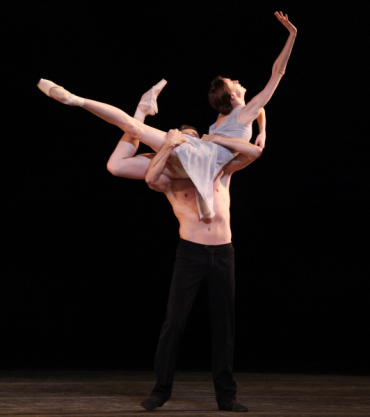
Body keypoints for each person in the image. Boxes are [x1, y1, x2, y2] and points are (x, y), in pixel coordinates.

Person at [37, 10, 296, 218]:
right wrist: (292, 34)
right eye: (233, 82)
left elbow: (263, 104)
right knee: (130, 137)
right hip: (195, 156)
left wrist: (263, 132)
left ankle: (142, 108)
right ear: (231, 96)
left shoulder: (240, 114)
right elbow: (277, 73)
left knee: (118, 160)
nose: (238, 81)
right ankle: (77, 100)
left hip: (197, 164)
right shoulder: (241, 113)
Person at [140, 128, 262, 412]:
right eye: (186, 136)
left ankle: (226, 396)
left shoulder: (220, 170)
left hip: (223, 253)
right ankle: (160, 391)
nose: (191, 139)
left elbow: (252, 153)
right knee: (174, 322)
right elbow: (149, 177)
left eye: (195, 135)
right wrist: (170, 144)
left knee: (224, 324)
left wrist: (217, 139)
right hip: (191, 253)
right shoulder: (172, 178)